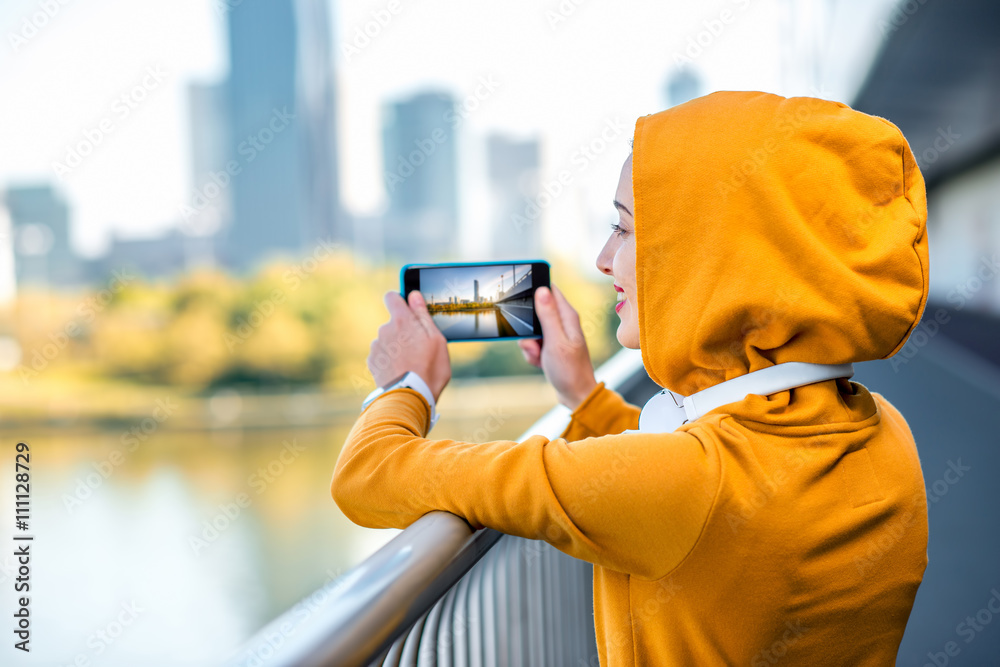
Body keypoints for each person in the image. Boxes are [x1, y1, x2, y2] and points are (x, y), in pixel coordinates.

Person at [332, 90, 929, 665]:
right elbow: (703, 472)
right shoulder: (887, 437)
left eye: (624, 228)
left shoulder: (688, 484)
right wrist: (582, 394)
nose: (601, 257)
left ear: (708, 252)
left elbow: (367, 474)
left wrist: (408, 382)